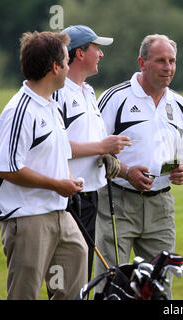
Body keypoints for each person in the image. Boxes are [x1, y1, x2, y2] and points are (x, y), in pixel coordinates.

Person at [94, 34, 183, 298]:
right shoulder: (115, 98)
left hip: (161, 208)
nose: (168, 67)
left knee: (159, 287)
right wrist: (125, 172)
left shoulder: (179, 104)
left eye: (172, 61)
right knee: (112, 284)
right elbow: (94, 150)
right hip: (118, 203)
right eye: (161, 61)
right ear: (142, 62)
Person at [0, 31, 88, 299]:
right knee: (25, 294)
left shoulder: (51, 106)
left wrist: (67, 179)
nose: (69, 68)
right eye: (67, 62)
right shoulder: (19, 111)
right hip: (28, 219)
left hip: (61, 215)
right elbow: (8, 168)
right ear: (56, 67)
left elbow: (57, 155)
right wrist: (57, 184)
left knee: (72, 288)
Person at [52, 25, 131, 282]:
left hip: (89, 196)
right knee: (67, 279)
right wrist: (102, 147)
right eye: (97, 48)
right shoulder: (58, 93)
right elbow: (55, 147)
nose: (101, 54)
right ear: (80, 54)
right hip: (67, 199)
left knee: (83, 277)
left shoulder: (88, 92)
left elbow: (89, 141)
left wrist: (106, 155)